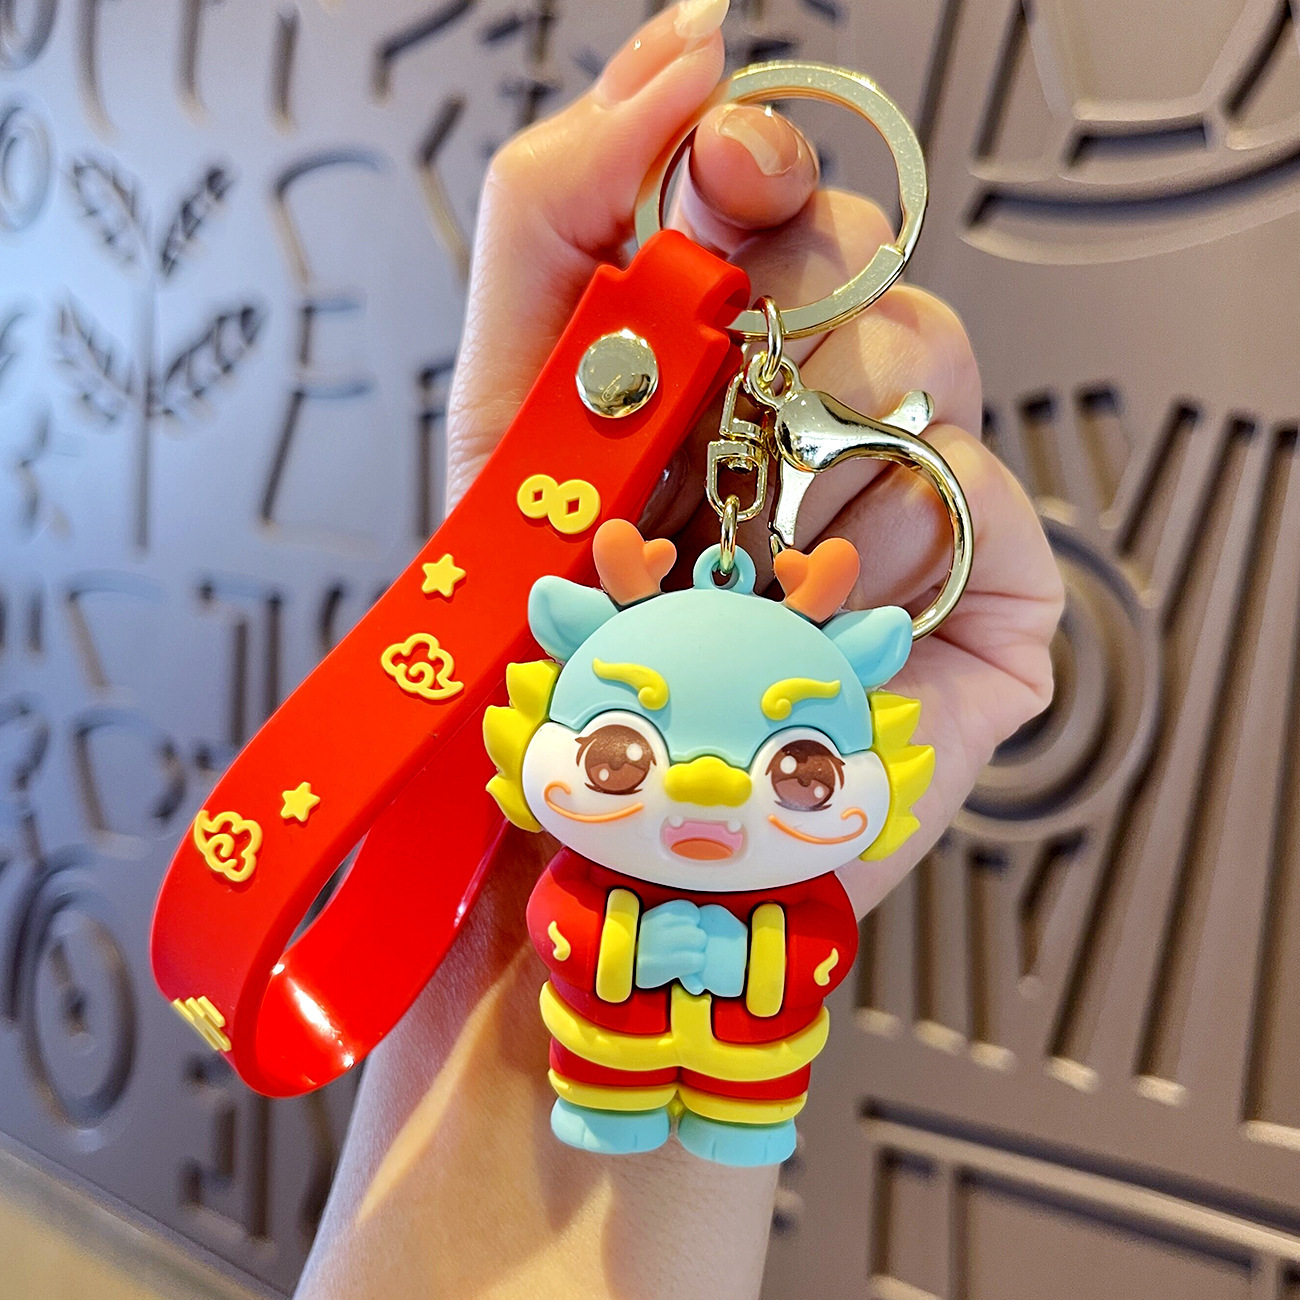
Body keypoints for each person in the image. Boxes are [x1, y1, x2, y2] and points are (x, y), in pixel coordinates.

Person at [294, 2, 1063, 1296]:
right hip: (600, 1037)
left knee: (742, 1101)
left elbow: (811, 941)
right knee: (620, 1080)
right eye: (619, 751)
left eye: (801, 769)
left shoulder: (782, 875)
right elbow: (567, 916)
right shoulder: (587, 867)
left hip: (748, 1058)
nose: (707, 785)